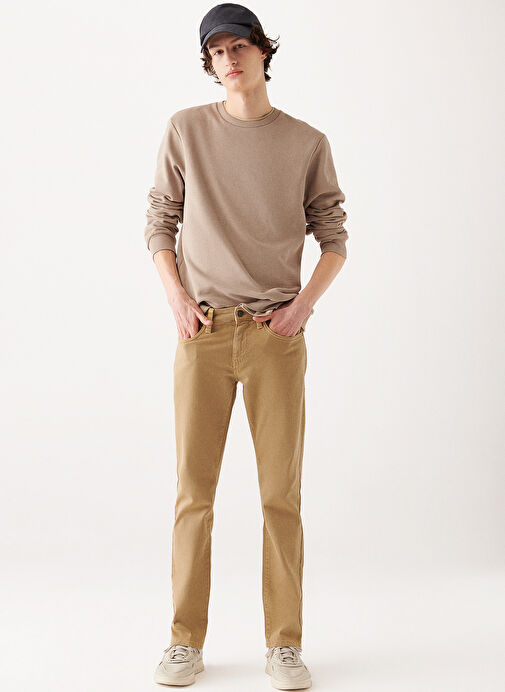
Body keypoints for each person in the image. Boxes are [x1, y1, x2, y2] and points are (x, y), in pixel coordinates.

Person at [145, 3, 348, 689]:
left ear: (263, 51)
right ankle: (184, 641)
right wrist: (177, 300)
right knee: (192, 495)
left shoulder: (305, 142)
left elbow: (334, 237)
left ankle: (284, 645)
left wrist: (300, 309)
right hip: (201, 334)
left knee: (278, 497)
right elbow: (160, 222)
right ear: (209, 64)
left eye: (239, 46)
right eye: (217, 51)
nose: (229, 59)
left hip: (273, 339)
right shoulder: (185, 130)